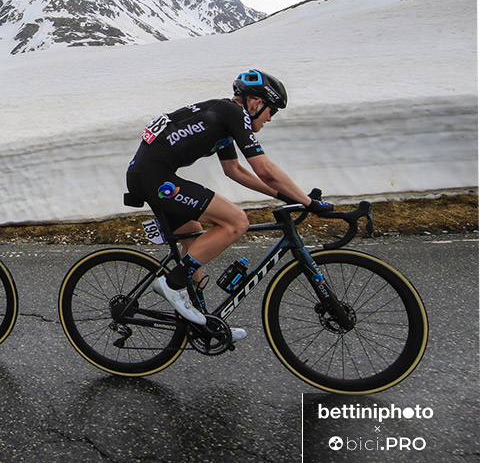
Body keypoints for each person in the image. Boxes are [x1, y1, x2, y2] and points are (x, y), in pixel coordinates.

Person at [125, 69, 332, 340]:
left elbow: (235, 170)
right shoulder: (233, 113)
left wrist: (286, 197)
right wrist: (308, 202)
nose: (270, 118)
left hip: (148, 174)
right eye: (272, 111)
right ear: (257, 103)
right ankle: (173, 284)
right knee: (236, 221)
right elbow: (264, 169)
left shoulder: (223, 115)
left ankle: (200, 322)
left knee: (194, 239)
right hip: (154, 178)